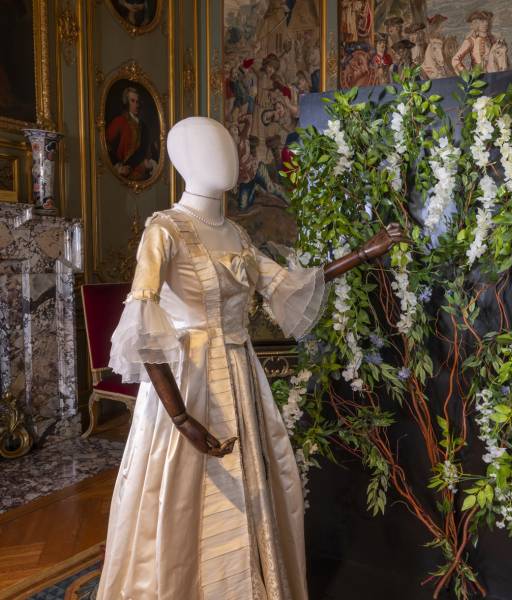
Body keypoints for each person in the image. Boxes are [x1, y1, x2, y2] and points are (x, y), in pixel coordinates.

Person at [97, 117, 408, 599]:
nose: (226, 158)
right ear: (182, 161)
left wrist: (366, 253)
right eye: (210, 149)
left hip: (241, 377)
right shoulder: (164, 230)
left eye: (227, 146)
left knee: (250, 484)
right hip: (186, 381)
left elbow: (290, 284)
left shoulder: (237, 236)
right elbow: (142, 324)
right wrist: (180, 417)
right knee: (181, 496)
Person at [105, 86, 157, 181]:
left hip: (143, 176)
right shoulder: (119, 121)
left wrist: (150, 162)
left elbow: (147, 150)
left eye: (137, 102)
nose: (136, 105)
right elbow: (106, 144)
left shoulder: (144, 126)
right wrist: (117, 166)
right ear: (126, 102)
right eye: (132, 101)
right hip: (123, 175)